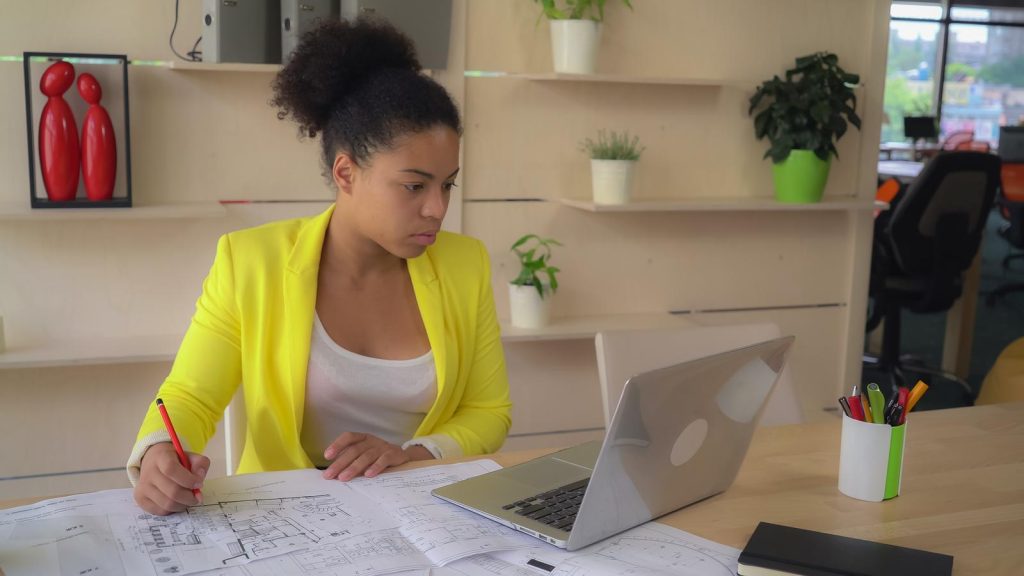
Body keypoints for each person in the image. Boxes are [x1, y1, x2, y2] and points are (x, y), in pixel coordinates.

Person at [127, 18, 511, 516]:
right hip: (289, 522)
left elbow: (489, 411)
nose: (438, 208)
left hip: (427, 515)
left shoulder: (465, 264)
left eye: (448, 185)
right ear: (346, 172)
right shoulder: (250, 262)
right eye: (415, 186)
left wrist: (412, 455)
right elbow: (190, 396)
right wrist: (157, 452)